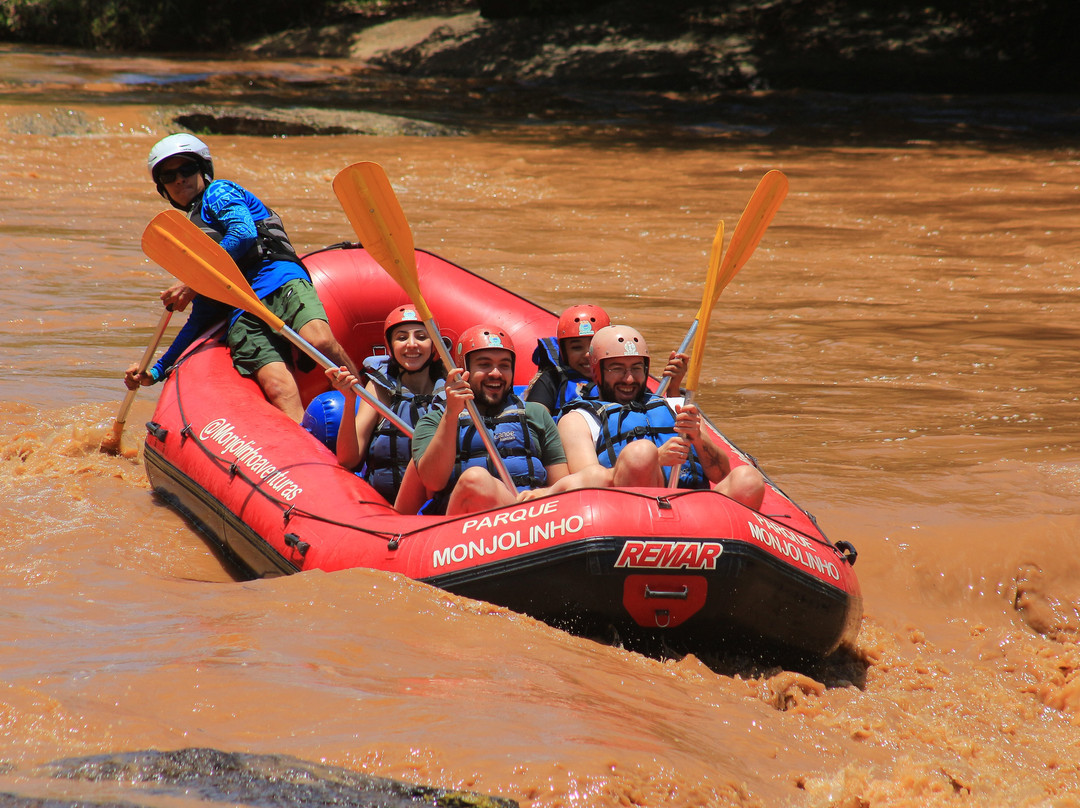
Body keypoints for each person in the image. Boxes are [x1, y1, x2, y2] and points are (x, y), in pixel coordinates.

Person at [124, 133, 359, 422]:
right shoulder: (191, 236)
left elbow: (243, 232)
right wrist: (157, 370)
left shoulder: (219, 192)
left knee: (319, 343)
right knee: (278, 389)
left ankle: (367, 406)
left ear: (203, 171)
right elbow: (201, 317)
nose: (179, 180)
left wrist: (193, 281)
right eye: (169, 176)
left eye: (186, 170)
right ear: (163, 188)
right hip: (243, 310)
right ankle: (315, 457)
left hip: (277, 279)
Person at [405, 324, 605, 516]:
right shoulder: (434, 421)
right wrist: (451, 416)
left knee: (594, 476)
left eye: (504, 365)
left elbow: (561, 482)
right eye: (484, 365)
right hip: (465, 532)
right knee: (475, 479)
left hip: (533, 523)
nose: (496, 373)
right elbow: (433, 482)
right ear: (462, 371)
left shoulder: (535, 414)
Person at [558, 325, 765, 509]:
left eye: (636, 368)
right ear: (596, 372)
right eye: (617, 369)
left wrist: (699, 440)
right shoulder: (578, 419)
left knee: (748, 479)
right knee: (641, 453)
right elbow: (588, 483)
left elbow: (721, 474)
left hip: (694, 514)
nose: (629, 378)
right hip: (628, 514)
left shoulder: (676, 407)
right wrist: (656, 458)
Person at [322, 304, 446, 505]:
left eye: (422, 337)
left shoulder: (450, 391)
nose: (412, 344)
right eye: (402, 337)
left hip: (436, 506)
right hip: (385, 505)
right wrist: (349, 400)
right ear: (390, 346)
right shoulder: (379, 389)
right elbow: (349, 460)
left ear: (435, 345)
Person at [525, 304, 689, 417]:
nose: (588, 355)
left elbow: (665, 419)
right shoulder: (552, 380)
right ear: (563, 351)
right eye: (576, 347)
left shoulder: (626, 380)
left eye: (594, 345)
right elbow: (535, 420)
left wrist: (673, 387)